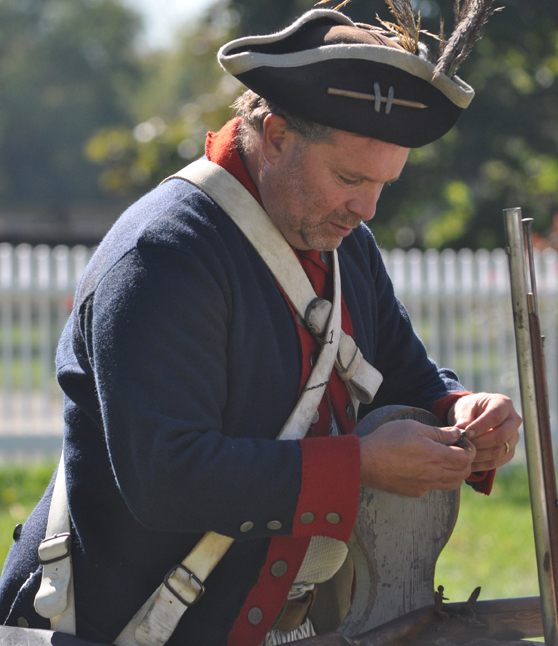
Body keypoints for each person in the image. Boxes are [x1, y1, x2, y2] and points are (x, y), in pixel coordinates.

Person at [0, 6, 521, 646]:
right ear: (274, 136)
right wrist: (356, 466)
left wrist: (461, 410)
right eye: (350, 177)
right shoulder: (165, 255)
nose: (367, 207)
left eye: (384, 182)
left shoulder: (344, 244)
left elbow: (402, 378)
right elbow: (167, 479)